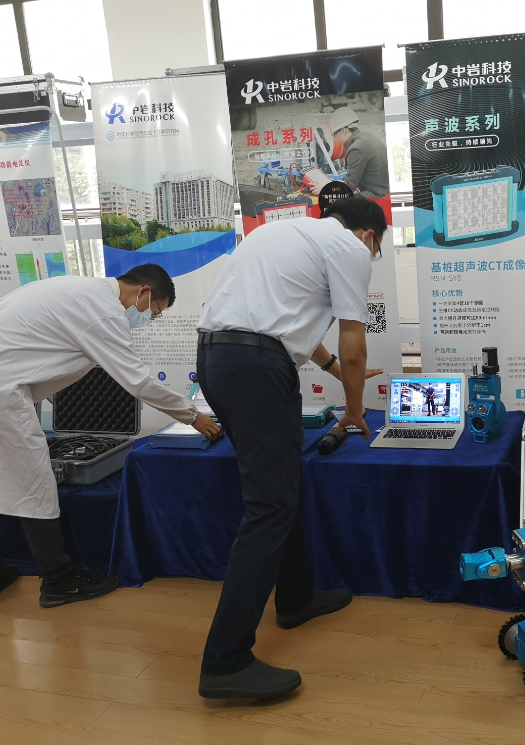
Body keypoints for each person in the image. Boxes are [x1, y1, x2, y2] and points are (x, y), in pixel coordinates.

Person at [0, 264, 220, 609]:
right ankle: (58, 579)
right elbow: (136, 381)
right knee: (33, 481)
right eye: (155, 312)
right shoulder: (105, 312)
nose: (148, 320)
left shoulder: (70, 286)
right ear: (144, 292)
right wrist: (192, 414)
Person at [195, 196, 386, 702]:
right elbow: (353, 344)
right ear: (369, 235)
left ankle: (296, 597)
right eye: (377, 248)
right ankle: (225, 661)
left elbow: (280, 319)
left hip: (216, 360)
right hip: (258, 370)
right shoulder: (350, 247)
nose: (371, 255)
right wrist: (354, 410)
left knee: (280, 488)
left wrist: (330, 371)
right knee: (269, 507)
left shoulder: (282, 233)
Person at [330, 107, 390, 198]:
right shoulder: (367, 136)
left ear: (343, 130)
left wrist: (326, 190)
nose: (336, 138)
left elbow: (348, 187)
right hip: (385, 190)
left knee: (337, 200)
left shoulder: (356, 149)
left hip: (378, 195)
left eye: (335, 134)